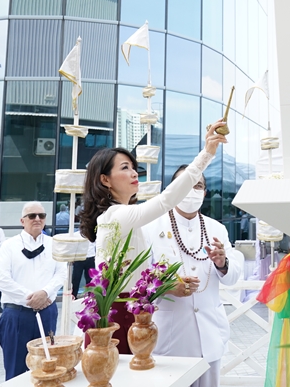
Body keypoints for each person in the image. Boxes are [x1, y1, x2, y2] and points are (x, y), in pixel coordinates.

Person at [78, 120, 227, 353]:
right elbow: (167, 199)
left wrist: (169, 284)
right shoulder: (116, 214)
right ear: (105, 179)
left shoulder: (126, 218)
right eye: (124, 167)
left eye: (133, 167)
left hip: (131, 311)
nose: (133, 172)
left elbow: (133, 274)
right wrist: (206, 154)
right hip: (117, 315)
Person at [144, 166, 244, 387]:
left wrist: (223, 263)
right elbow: (139, 281)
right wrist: (167, 286)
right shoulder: (151, 228)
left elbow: (233, 276)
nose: (192, 190)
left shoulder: (216, 228)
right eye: (186, 184)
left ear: (205, 193)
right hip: (170, 338)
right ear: (173, 189)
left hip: (210, 334)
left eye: (198, 185)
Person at [0, 203, 67, 380]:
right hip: (17, 314)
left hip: (46, 312)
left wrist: (44, 292)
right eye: (32, 215)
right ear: (22, 220)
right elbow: (2, 280)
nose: (37, 219)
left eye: (41, 216)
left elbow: (62, 273)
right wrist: (31, 297)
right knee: (15, 370)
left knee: (47, 366)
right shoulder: (9, 246)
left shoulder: (54, 244)